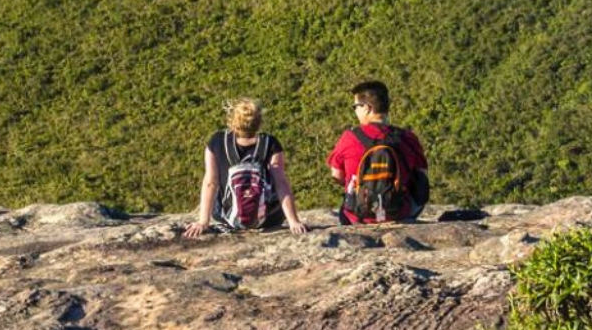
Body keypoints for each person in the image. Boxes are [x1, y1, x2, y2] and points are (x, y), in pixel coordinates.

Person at [184, 97, 308, 238]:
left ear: (233, 120)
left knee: (219, 195)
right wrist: (293, 221)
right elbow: (281, 183)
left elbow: (211, 183)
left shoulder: (217, 142)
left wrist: (203, 222)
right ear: (259, 122)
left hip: (228, 219)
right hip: (267, 221)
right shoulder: (270, 143)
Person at [327, 79, 429, 223]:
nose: (355, 111)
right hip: (399, 213)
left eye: (355, 106)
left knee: (347, 202)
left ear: (367, 108)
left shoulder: (349, 137)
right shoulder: (408, 137)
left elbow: (336, 175)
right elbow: (422, 177)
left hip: (358, 216)